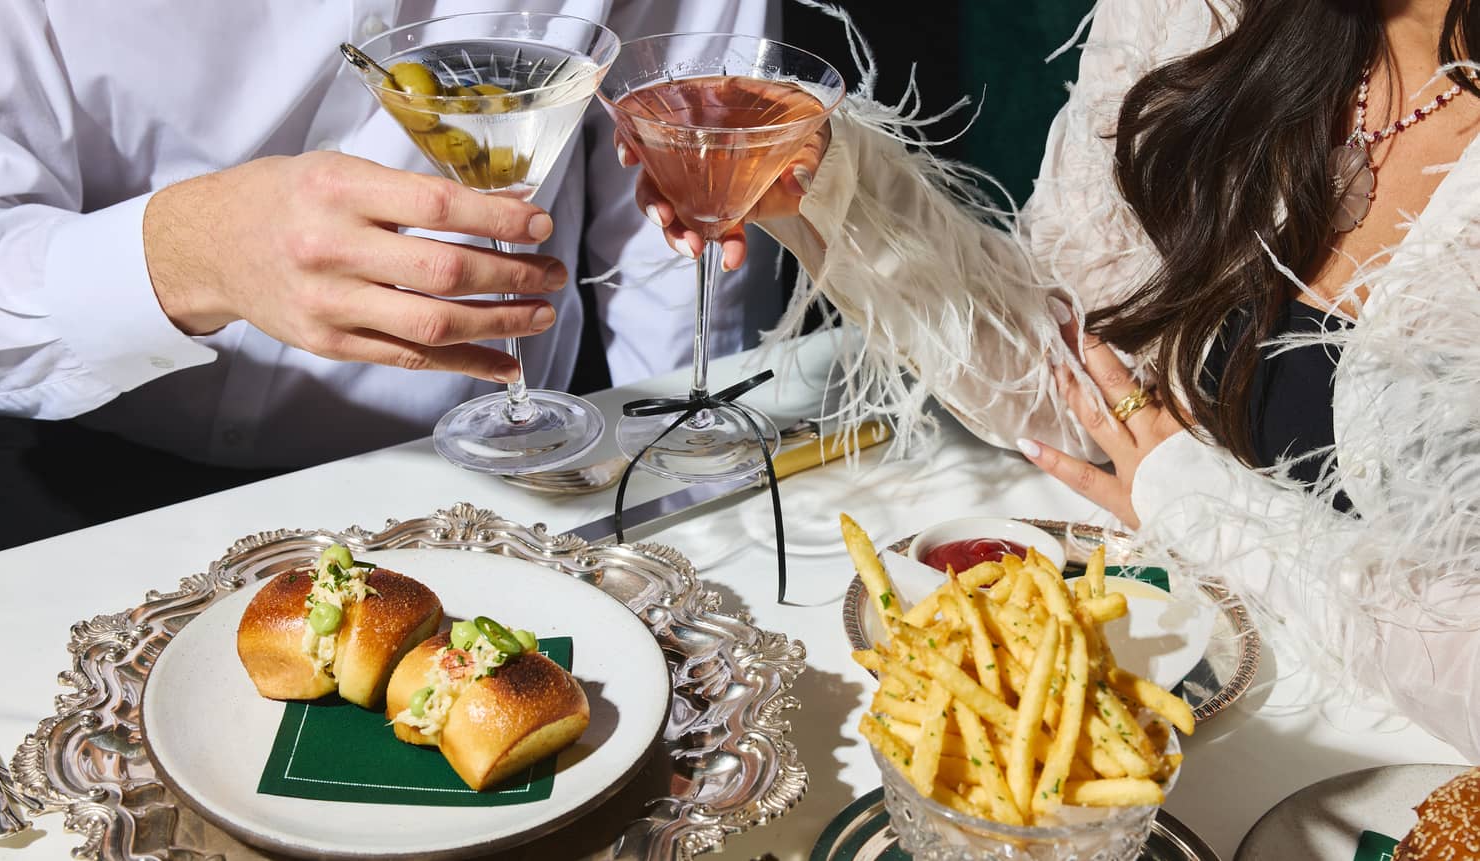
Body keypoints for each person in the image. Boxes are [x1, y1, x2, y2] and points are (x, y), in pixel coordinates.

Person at [631, 0, 1480, 761]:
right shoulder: (1196, 14)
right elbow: (1077, 379)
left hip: (1383, 777)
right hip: (1196, 702)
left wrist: (1202, 505)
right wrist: (827, 189)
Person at [0, 1, 779, 558]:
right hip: (95, 492)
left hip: (518, 483)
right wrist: (187, 255)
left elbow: (677, 159)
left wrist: (684, 489)